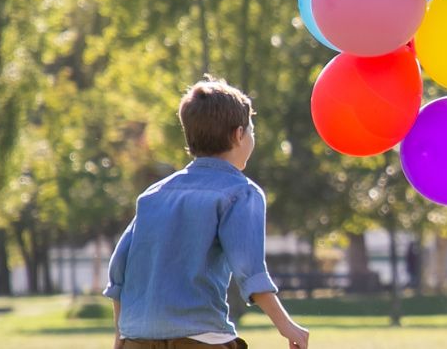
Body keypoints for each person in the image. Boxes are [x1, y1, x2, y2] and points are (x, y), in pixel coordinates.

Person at [105, 78, 311, 349]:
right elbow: (250, 271)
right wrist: (287, 326)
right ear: (239, 135)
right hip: (201, 336)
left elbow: (119, 270)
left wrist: (121, 338)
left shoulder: (153, 195)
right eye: (251, 130)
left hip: (138, 337)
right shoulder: (240, 192)